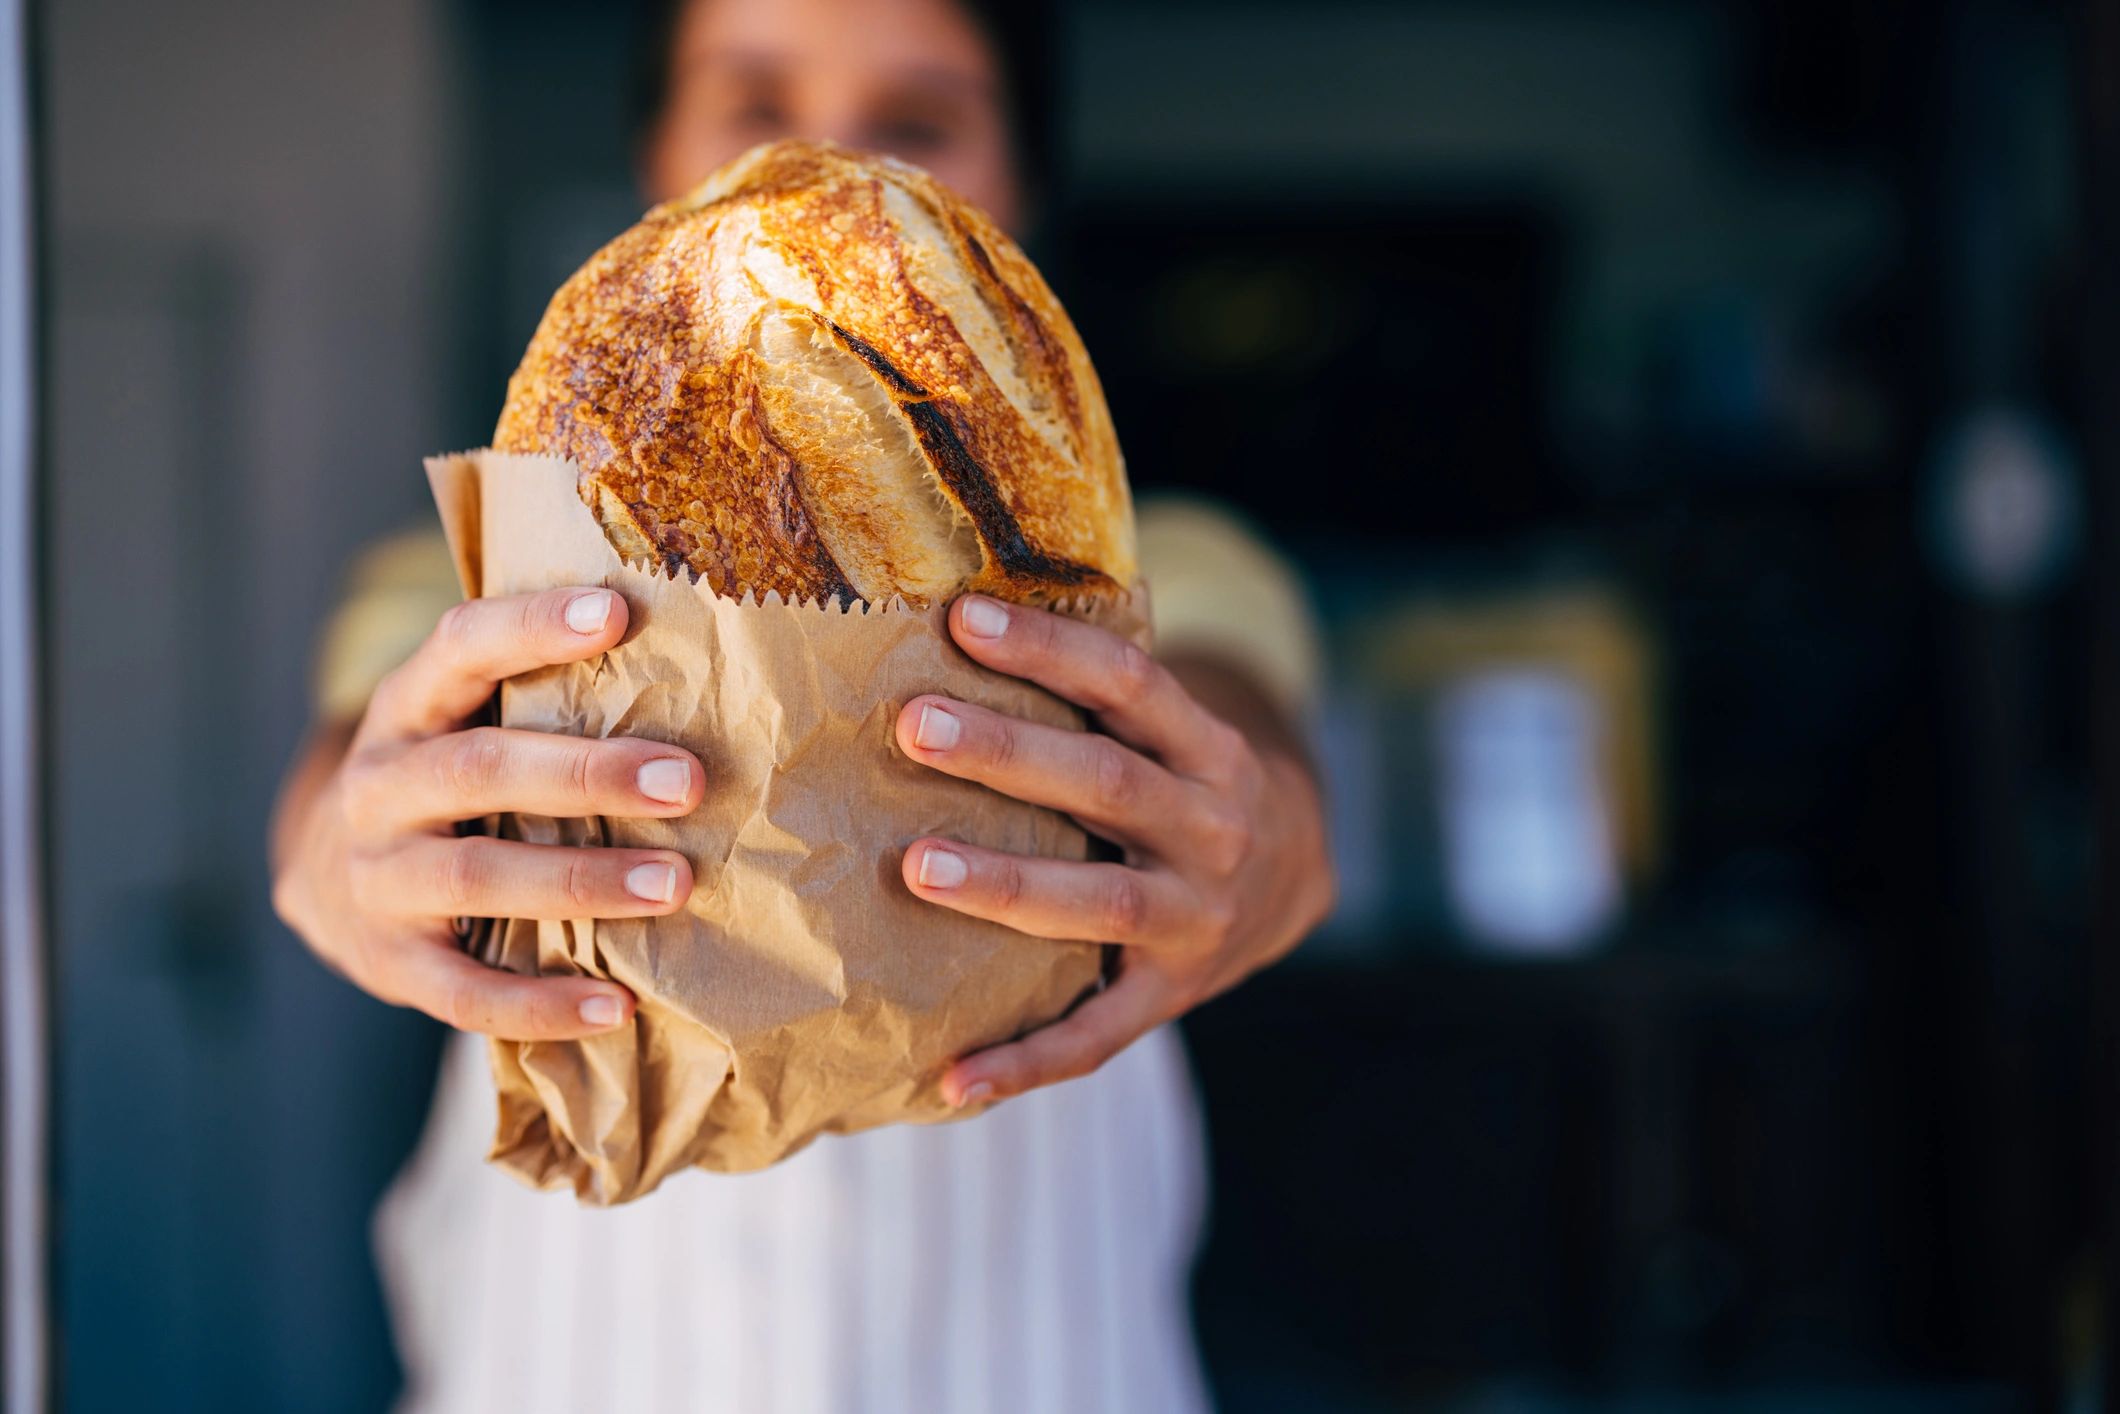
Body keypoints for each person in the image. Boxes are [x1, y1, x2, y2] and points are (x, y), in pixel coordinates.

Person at [269, 0, 1335, 1408]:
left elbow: (1257, 763)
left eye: (917, 123)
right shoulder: (487, 564)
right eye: (756, 106)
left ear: (1021, 188)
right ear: (659, 159)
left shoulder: (1157, 567)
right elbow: (343, 777)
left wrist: (1257, 846)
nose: (826, 166)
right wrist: (336, 849)